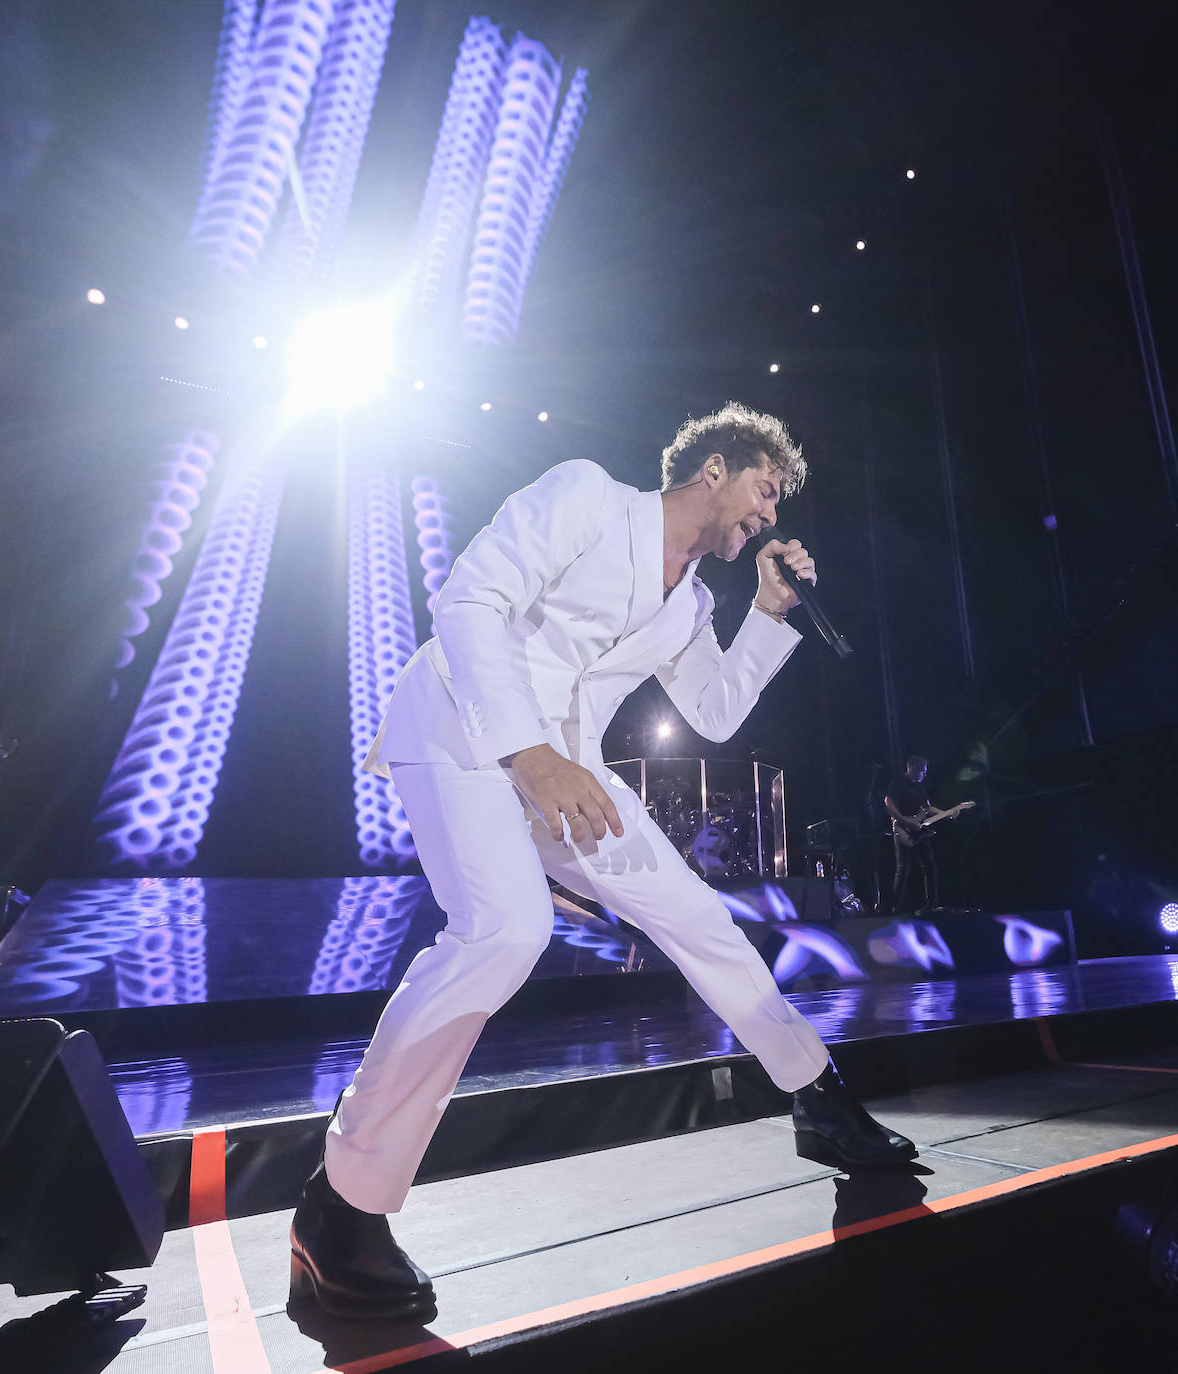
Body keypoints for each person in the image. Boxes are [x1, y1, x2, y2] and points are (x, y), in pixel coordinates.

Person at [289, 402, 916, 1322]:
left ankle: (818, 1099)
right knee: (506, 932)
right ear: (714, 468)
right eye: (766, 488)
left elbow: (714, 712)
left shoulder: (694, 600)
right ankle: (340, 1207)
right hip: (465, 734)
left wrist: (767, 614)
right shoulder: (588, 496)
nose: (770, 513)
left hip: (569, 768)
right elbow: (469, 602)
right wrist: (529, 753)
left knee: (699, 917)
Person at [884, 755, 939, 914]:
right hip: (902, 828)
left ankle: (931, 905)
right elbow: (888, 802)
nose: (925, 774)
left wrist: (946, 813)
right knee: (903, 868)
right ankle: (896, 907)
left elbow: (927, 807)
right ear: (913, 768)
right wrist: (904, 821)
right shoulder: (897, 783)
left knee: (929, 866)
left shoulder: (920, 787)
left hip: (918, 830)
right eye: (923, 771)